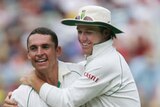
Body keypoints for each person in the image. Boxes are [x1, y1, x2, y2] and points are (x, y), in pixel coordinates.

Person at [4, 5, 141, 107]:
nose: (82, 38)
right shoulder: (100, 60)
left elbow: (66, 101)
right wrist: (16, 98)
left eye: (89, 32)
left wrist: (34, 80)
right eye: (79, 31)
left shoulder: (105, 62)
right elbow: (78, 68)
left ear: (105, 33)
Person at [3, 27, 84, 107]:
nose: (39, 53)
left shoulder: (82, 74)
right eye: (33, 48)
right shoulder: (19, 96)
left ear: (58, 51)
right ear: (28, 55)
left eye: (45, 47)